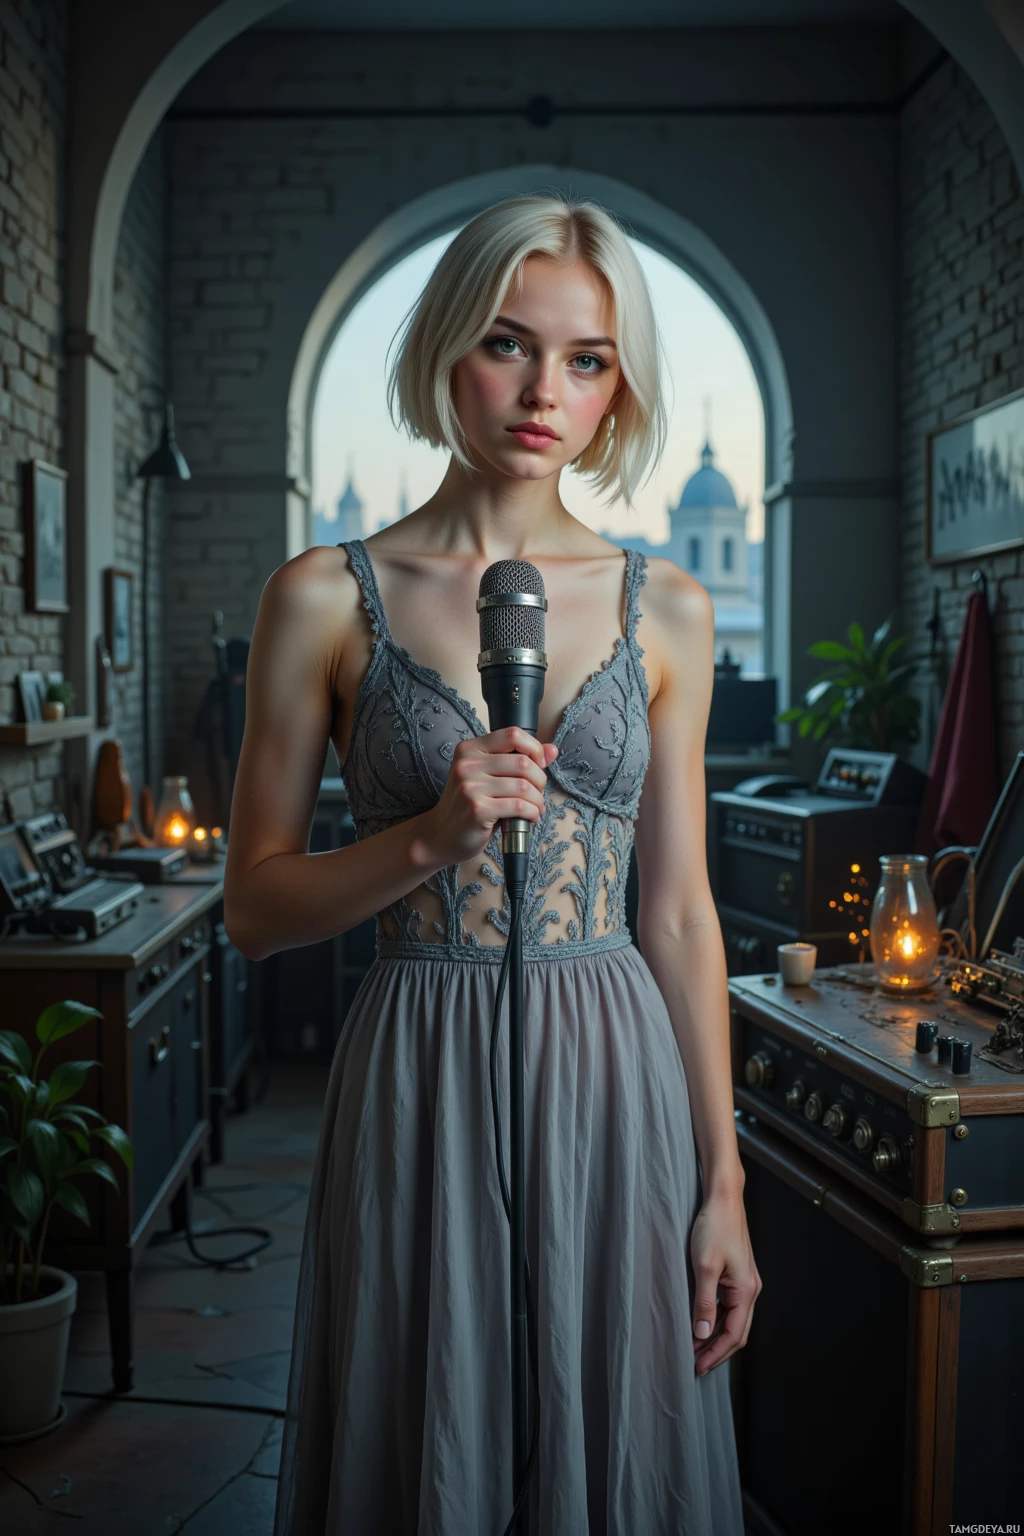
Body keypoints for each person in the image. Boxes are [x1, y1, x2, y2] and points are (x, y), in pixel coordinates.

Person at [225, 193, 760, 1536]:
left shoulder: (673, 608)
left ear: (617, 383)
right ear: (448, 348)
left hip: (615, 1070)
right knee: (432, 1444)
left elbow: (683, 916)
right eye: (509, 344)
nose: (545, 391)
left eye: (587, 360)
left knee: (621, 1452)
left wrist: (725, 1183)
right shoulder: (320, 596)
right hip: (422, 1063)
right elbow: (252, 907)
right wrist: (425, 840)